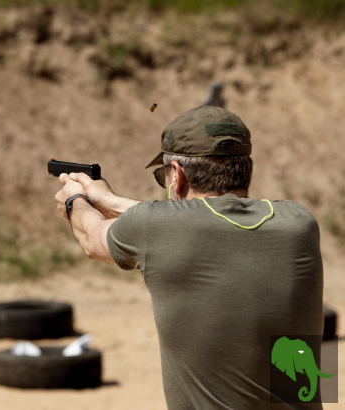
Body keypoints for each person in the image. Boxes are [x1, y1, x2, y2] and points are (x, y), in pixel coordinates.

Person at [54, 105, 325, 409]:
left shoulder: (156, 226)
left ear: (177, 176)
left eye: (163, 176)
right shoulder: (298, 223)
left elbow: (92, 239)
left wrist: (75, 199)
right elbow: (184, 223)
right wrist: (110, 200)